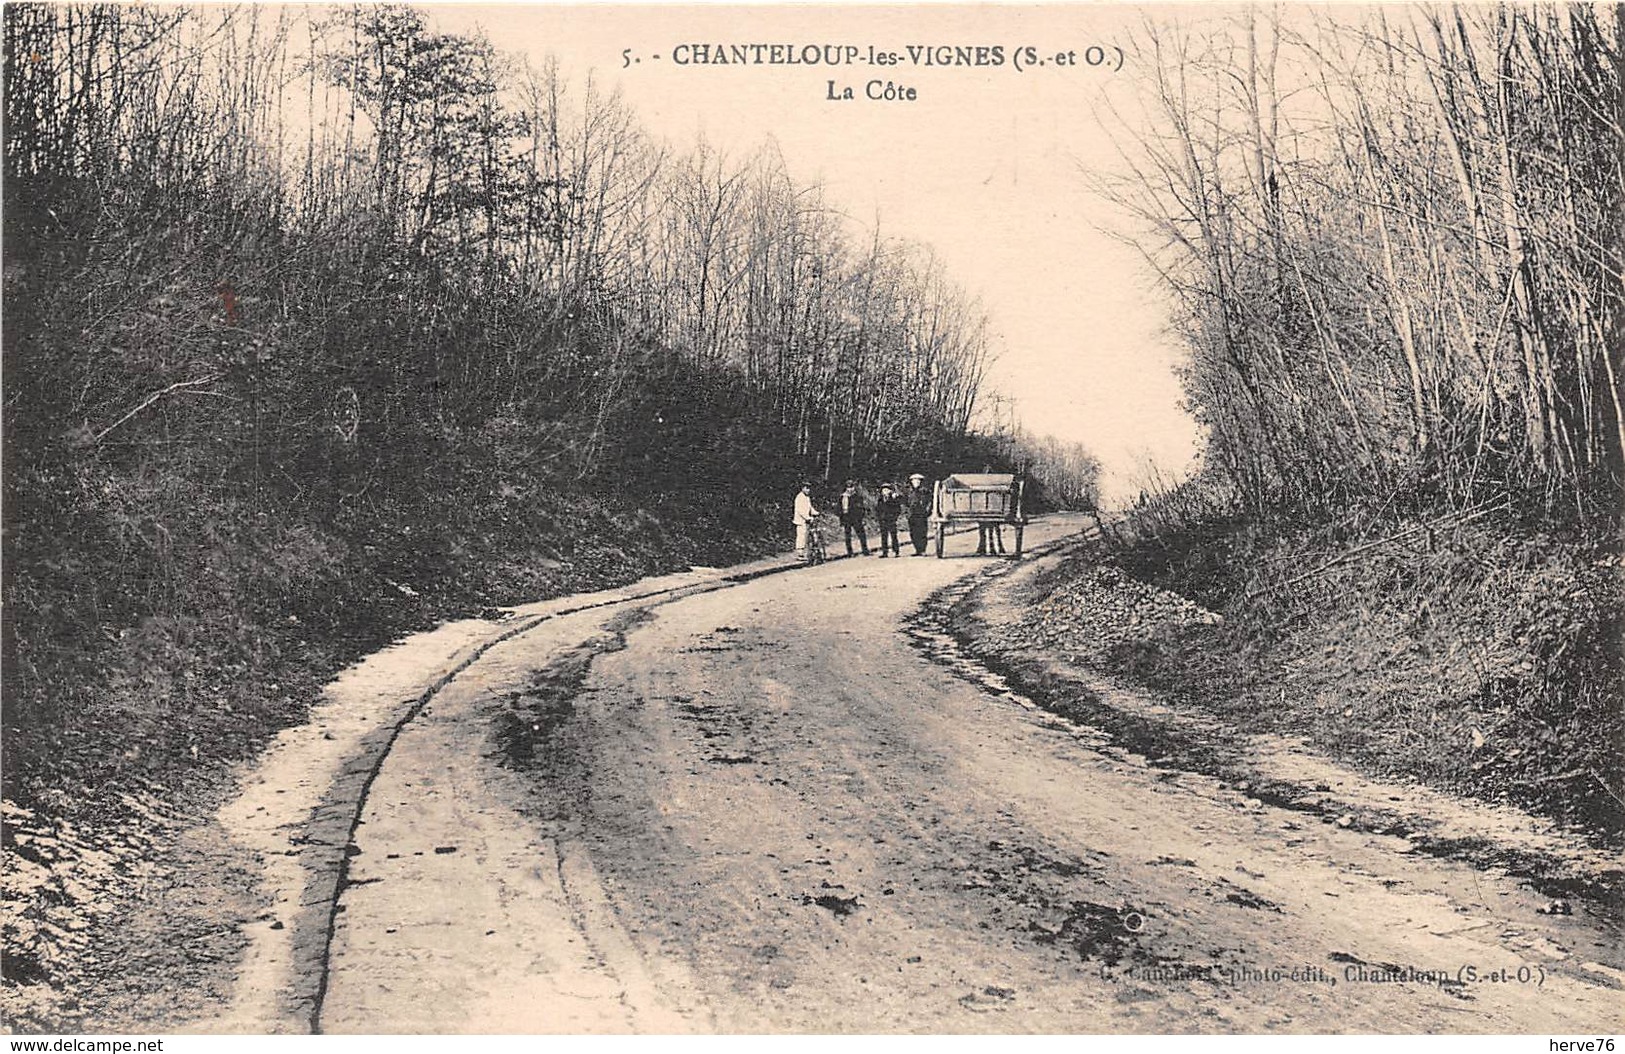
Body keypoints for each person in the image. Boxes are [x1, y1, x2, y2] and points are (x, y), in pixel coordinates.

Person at [837, 479, 871, 556]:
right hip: (847, 518)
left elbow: (861, 508)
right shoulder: (842, 497)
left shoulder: (857, 496)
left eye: (851, 487)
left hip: (856, 518)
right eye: (848, 487)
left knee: (861, 534)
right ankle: (850, 552)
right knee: (848, 535)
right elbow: (839, 508)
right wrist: (841, 517)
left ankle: (865, 550)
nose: (850, 489)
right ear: (846, 488)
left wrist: (862, 517)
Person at [792, 482, 820, 564]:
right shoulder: (799, 498)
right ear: (802, 488)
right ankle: (800, 554)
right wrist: (808, 518)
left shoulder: (807, 497)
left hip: (806, 520)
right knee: (801, 536)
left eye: (809, 488)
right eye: (806, 488)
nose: (808, 490)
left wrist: (815, 513)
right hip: (800, 521)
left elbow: (810, 507)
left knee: (807, 537)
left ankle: (807, 553)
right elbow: (801, 511)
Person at [905, 472, 932, 556]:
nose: (916, 482)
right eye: (914, 481)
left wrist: (927, 511)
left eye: (918, 481)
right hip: (912, 514)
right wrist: (907, 512)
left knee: (922, 532)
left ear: (920, 482)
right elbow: (905, 502)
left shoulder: (925, 491)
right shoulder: (909, 492)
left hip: (921, 514)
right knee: (913, 532)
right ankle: (917, 550)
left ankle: (922, 550)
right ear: (911, 482)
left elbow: (930, 502)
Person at [874, 483, 903, 557]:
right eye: (884, 490)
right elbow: (877, 509)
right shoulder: (880, 500)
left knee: (893, 536)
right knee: (884, 536)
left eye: (887, 490)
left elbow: (898, 509)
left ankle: (896, 551)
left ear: (890, 491)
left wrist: (894, 517)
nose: (885, 492)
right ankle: (885, 552)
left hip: (891, 520)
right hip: (883, 520)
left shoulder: (893, 499)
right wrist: (879, 517)